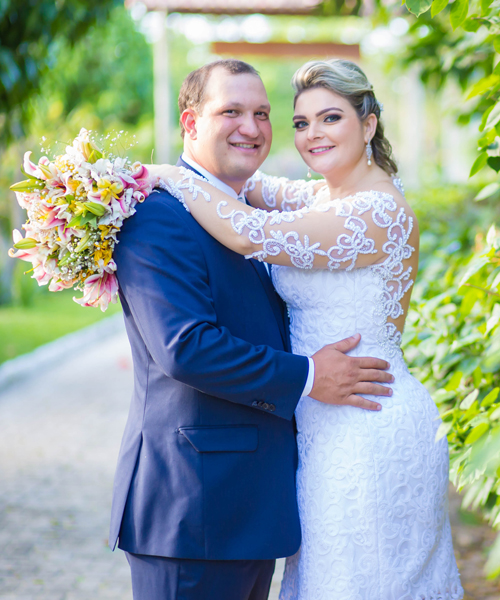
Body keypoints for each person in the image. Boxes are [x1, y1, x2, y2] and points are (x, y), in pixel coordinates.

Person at [149, 59, 464, 599]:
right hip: (322, 426)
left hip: (367, 421)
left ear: (368, 124)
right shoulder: (323, 197)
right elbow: (249, 184)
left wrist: (169, 175)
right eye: (300, 123)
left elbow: (249, 233)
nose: (313, 134)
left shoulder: (378, 213)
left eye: (331, 118)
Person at [111, 59, 395, 600]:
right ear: (190, 122)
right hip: (192, 508)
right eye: (232, 112)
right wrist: (310, 376)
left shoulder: (249, 208)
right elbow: (185, 347)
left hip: (256, 505)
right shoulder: (158, 214)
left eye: (262, 113)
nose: (251, 127)